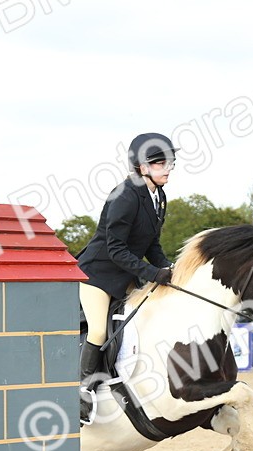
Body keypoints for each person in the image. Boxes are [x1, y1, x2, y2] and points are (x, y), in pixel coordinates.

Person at [75, 132, 177, 423]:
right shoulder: (124, 195)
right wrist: (152, 273)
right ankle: (82, 390)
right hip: (98, 275)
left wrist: (170, 269)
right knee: (98, 331)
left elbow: (152, 245)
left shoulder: (159, 197)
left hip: (128, 275)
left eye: (170, 162)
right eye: (160, 163)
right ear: (142, 168)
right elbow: (115, 248)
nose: (167, 168)